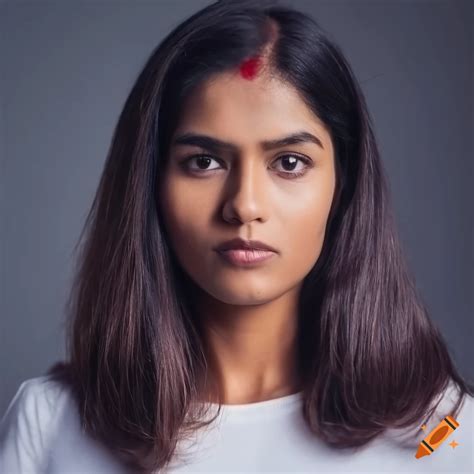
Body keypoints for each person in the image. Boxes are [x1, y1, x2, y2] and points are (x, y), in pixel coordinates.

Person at [1, 0, 473, 473]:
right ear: (149, 182)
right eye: (204, 162)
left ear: (342, 183)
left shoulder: (441, 434)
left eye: (289, 162)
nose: (244, 205)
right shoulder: (53, 426)